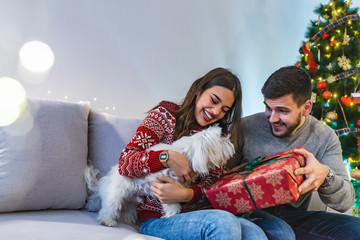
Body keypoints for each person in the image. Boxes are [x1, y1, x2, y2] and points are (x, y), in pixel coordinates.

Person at [118, 67, 267, 240]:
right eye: (214, 100)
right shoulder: (165, 116)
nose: (216, 112)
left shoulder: (218, 136)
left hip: (203, 213)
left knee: (256, 234)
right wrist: (167, 158)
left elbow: (214, 184)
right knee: (223, 222)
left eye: (225, 109)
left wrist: (186, 194)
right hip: (159, 218)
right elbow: (125, 163)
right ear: (198, 91)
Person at [227, 65, 360, 240]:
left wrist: (325, 176)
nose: (272, 118)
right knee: (282, 234)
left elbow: (345, 202)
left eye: (282, 111)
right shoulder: (246, 126)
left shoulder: (324, 137)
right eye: (268, 108)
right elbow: (219, 178)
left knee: (354, 229)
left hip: (293, 214)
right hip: (248, 210)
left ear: (306, 108)